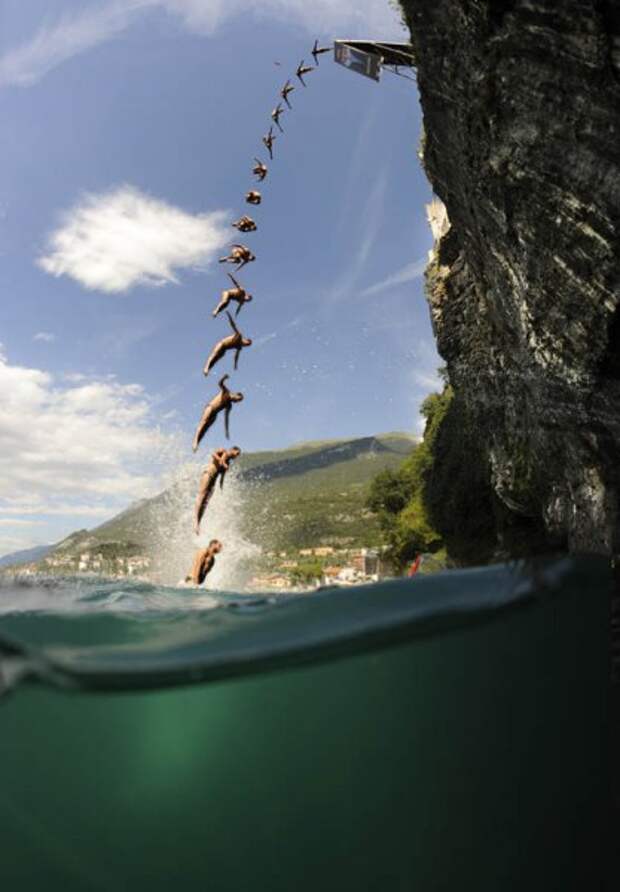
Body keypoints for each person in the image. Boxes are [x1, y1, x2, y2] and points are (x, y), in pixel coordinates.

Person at [194, 446, 241, 534]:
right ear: (233, 450)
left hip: (214, 481)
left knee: (205, 502)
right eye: (237, 454)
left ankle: (198, 524)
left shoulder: (228, 463)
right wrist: (222, 462)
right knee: (201, 495)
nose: (236, 456)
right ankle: (195, 521)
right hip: (208, 473)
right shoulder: (222, 450)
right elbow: (213, 454)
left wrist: (221, 485)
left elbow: (222, 477)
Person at [192, 374, 243, 452]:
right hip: (210, 407)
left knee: (205, 429)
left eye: (238, 401)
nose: (236, 402)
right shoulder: (226, 391)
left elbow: (226, 418)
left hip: (214, 414)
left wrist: (226, 431)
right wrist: (224, 378)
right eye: (238, 399)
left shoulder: (229, 405)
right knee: (203, 423)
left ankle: (198, 442)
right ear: (236, 395)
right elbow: (220, 384)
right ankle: (195, 441)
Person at [203, 311, 252, 376]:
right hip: (222, 344)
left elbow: (236, 356)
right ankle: (206, 367)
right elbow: (233, 325)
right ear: (246, 340)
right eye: (246, 344)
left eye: (247, 346)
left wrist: (235, 365)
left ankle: (208, 370)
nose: (245, 345)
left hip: (224, 350)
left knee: (215, 360)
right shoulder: (239, 336)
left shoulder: (239, 347)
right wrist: (229, 316)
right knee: (214, 354)